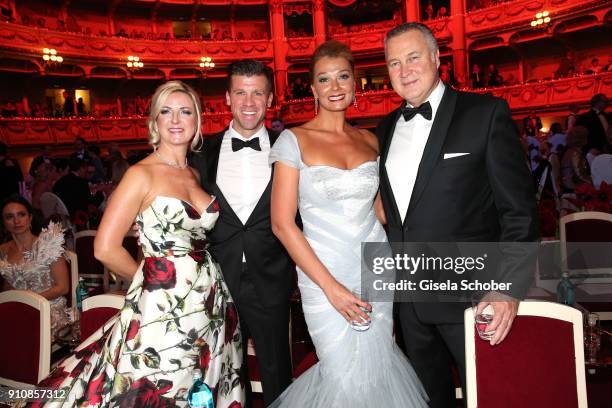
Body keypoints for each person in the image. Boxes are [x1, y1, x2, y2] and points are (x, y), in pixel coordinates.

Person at [31, 81, 244, 407]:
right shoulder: (140, 174)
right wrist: (149, 282)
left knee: (198, 386)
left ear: (197, 120)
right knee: (163, 386)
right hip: (164, 304)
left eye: (185, 111)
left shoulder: (192, 175)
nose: (176, 119)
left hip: (209, 301)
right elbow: (104, 247)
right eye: (166, 112)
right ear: (154, 122)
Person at [377, 23, 538, 408]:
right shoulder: (383, 129)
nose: (405, 70)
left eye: (414, 57)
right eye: (394, 63)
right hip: (409, 302)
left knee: (491, 397)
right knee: (428, 400)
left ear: (437, 58)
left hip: (474, 296)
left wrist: (507, 289)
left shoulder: (485, 114)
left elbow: (519, 211)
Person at [268, 40, 427, 407]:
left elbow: (383, 213)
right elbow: (281, 224)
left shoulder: (371, 140)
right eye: (324, 79)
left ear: (355, 84)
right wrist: (332, 288)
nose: (335, 87)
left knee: (377, 369)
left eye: (343, 77)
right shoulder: (294, 140)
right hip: (323, 274)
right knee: (342, 375)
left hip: (376, 268)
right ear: (312, 89)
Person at [189, 60, 293, 407]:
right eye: (240, 93)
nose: (249, 102)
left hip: (273, 277)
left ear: (271, 98)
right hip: (218, 280)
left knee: (278, 368)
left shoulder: (290, 146)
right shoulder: (201, 151)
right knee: (224, 373)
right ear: (227, 99)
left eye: (257, 93)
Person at [0, 195, 71, 336]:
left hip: (48, 310)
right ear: (3, 223)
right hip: (18, 309)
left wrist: (28, 303)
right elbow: (8, 287)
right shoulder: (2, 250)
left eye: (21, 214)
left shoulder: (49, 244)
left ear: (30, 217)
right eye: (9, 217)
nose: (16, 221)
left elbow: (63, 288)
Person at [561, 126, 592, 192]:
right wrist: (592, 182)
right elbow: (579, 174)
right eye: (586, 137)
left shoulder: (570, 151)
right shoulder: (575, 153)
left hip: (569, 183)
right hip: (572, 185)